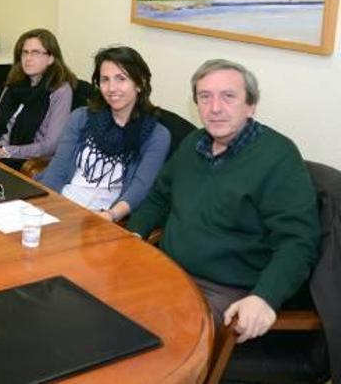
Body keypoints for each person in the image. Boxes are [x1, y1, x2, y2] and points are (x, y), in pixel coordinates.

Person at [127, 59, 319, 343]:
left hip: (223, 291)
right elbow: (158, 196)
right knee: (101, 305)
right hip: (166, 269)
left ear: (251, 105)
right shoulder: (193, 144)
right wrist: (134, 232)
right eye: (205, 97)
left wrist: (264, 297)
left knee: (154, 344)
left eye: (228, 96)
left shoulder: (278, 156)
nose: (215, 108)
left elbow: (299, 242)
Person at [37, 46, 170, 222]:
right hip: (61, 203)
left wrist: (111, 215)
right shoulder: (81, 118)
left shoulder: (156, 135)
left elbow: (141, 187)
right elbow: (58, 170)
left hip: (103, 217)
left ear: (140, 83)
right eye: (105, 80)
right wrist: (43, 209)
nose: (111, 88)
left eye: (121, 79)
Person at [0, 28, 76, 170]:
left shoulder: (60, 90)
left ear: (51, 58)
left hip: (22, 160)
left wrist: (6, 151)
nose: (28, 58)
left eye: (35, 52)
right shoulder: (15, 82)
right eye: (25, 52)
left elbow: (50, 145)